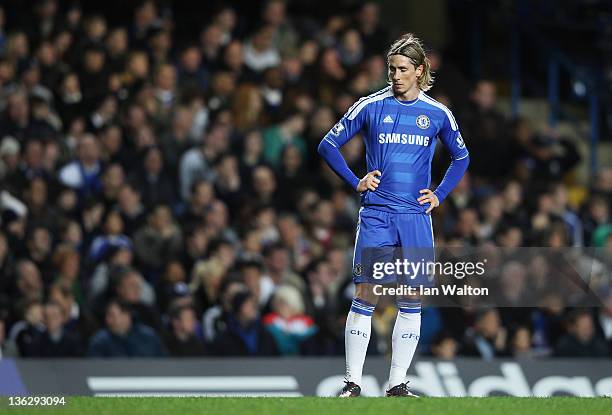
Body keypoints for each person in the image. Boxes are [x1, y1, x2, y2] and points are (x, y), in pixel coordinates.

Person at [318, 33, 469, 397]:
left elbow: (461, 157)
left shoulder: (437, 113)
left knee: (412, 297)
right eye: (391, 69)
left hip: (416, 218)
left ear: (419, 70)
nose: (395, 75)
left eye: (402, 69)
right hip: (377, 214)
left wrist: (440, 194)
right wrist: (356, 181)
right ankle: (352, 383)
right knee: (366, 292)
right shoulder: (370, 106)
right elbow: (327, 144)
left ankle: (397, 383)